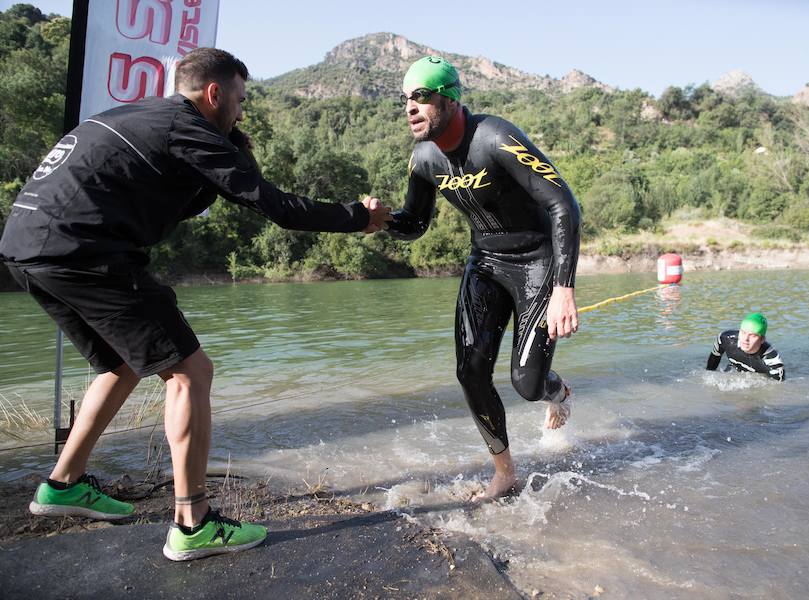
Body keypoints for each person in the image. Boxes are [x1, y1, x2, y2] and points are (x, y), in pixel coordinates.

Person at [0, 47, 391, 561]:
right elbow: (275, 207)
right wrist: (358, 218)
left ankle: (63, 486)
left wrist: (233, 153)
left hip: (25, 246)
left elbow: (186, 197)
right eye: (240, 99)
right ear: (214, 93)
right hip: (84, 250)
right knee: (190, 372)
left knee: (121, 364)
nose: (242, 111)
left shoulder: (140, 116)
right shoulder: (185, 127)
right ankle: (192, 524)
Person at [378, 56, 581, 500]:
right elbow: (414, 223)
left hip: (538, 263)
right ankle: (505, 473)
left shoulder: (496, 139)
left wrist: (563, 289)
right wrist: (377, 220)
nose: (410, 107)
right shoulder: (424, 159)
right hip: (485, 262)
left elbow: (564, 205)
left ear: (450, 99)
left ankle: (558, 391)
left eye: (422, 96)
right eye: (406, 99)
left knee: (526, 385)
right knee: (470, 372)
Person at [706, 312, 785, 381]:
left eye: (753, 335)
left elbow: (777, 389)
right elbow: (711, 365)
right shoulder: (725, 339)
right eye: (743, 333)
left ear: (762, 339)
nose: (746, 339)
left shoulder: (772, 360)